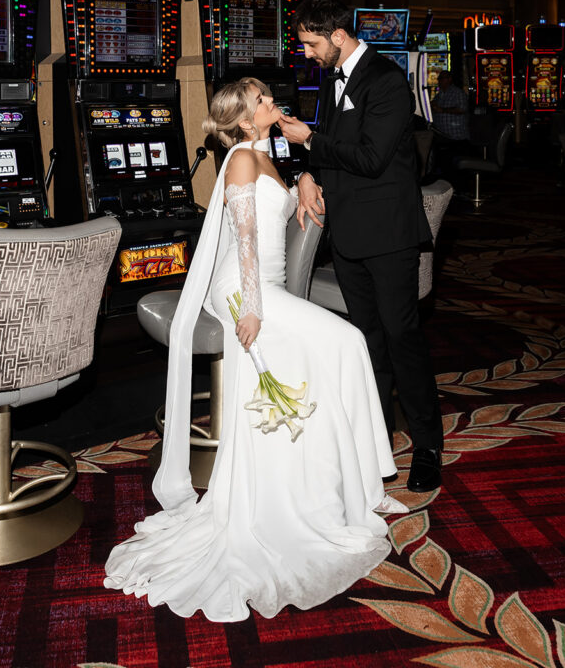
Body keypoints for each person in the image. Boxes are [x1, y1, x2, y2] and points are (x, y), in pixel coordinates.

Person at [104, 77, 406, 621]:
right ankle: (355, 485)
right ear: (245, 121)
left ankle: (355, 484)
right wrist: (250, 307)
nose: (272, 101)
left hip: (266, 285)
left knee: (341, 348)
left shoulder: (268, 152)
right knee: (349, 340)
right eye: (263, 100)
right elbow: (243, 236)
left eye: (268, 94)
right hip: (245, 290)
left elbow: (284, 199)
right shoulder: (243, 158)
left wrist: (308, 176)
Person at [279, 0, 444, 493]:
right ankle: (376, 439)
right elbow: (332, 145)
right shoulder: (332, 79)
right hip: (348, 232)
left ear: (336, 36)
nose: (307, 54)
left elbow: (371, 158)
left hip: (389, 234)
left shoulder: (389, 80)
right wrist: (308, 173)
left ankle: (428, 445)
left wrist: (308, 141)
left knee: (401, 338)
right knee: (367, 342)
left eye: (311, 44)